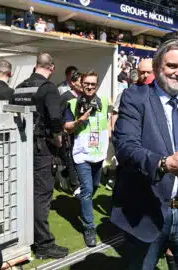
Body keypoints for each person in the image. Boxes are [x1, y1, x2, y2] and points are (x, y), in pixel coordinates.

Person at [111, 40, 178, 269]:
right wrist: (163, 163)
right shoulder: (135, 98)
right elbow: (126, 147)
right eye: (172, 65)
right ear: (157, 65)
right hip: (147, 212)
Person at [10, 53, 69, 259]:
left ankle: (26, 235)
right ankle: (44, 245)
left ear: (36, 66)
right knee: (41, 197)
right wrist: (58, 140)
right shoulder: (48, 88)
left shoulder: (19, 87)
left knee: (23, 195)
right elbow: (55, 120)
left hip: (19, 146)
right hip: (41, 149)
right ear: (51, 68)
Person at [64, 71, 110, 248]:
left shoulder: (105, 102)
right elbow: (67, 127)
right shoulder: (73, 103)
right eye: (86, 84)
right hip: (82, 154)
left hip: (99, 154)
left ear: (97, 85)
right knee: (87, 190)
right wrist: (78, 121)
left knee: (95, 186)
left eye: (93, 84)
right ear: (81, 84)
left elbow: (107, 123)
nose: (90, 87)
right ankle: (89, 227)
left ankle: (84, 202)